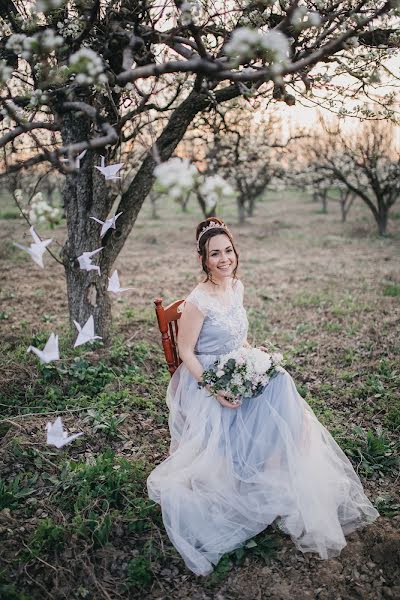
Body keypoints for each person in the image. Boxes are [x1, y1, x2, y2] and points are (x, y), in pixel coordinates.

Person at [147, 217, 379, 577]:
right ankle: (255, 473)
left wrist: (255, 355)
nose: (224, 259)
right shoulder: (197, 301)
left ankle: (272, 468)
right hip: (207, 378)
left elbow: (236, 338)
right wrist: (215, 386)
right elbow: (187, 351)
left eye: (228, 251)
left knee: (280, 380)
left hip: (236, 364)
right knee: (276, 388)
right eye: (215, 254)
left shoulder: (236, 287)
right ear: (204, 259)